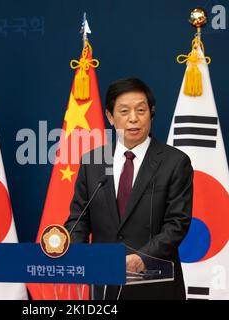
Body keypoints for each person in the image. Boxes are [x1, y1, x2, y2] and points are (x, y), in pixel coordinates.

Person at [64, 77, 193, 300]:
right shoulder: (93, 162)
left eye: (141, 110)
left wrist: (142, 257)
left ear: (151, 113)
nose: (133, 119)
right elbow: (78, 220)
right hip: (105, 287)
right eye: (124, 111)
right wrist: (81, 257)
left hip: (155, 285)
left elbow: (177, 224)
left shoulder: (175, 162)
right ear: (110, 117)